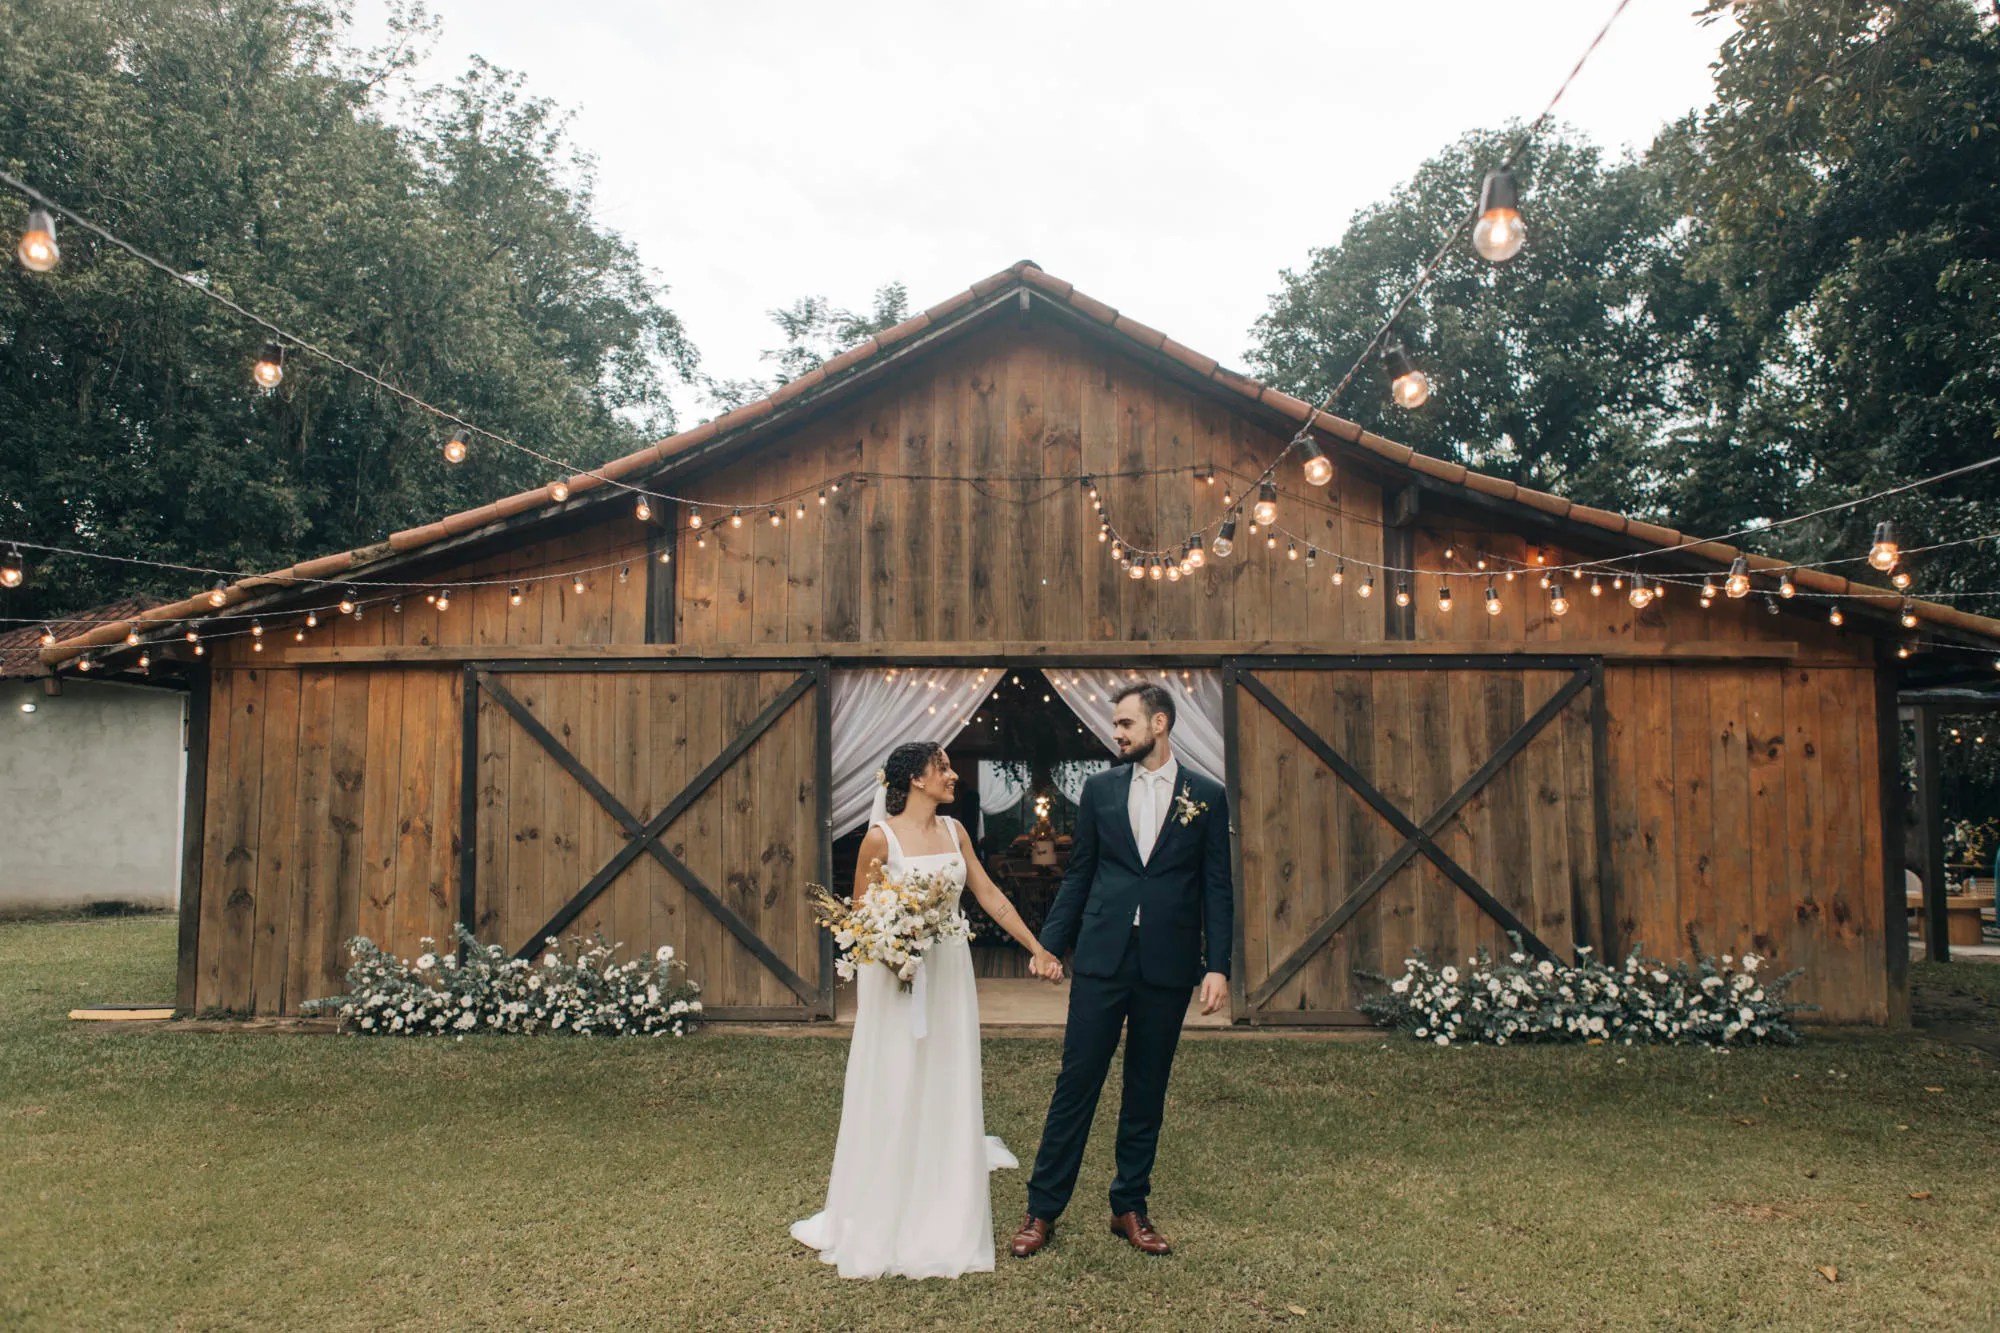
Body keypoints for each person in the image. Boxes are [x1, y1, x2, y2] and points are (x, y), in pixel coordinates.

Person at [790, 741, 1064, 1279]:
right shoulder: (879, 839)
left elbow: (990, 896)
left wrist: (1038, 948)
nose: (953, 776)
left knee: (946, 1075)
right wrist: (896, 950)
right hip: (898, 980)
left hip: (949, 976)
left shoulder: (956, 832)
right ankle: (888, 1199)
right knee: (897, 1079)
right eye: (943, 768)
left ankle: (943, 1196)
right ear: (916, 778)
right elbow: (861, 923)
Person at [1013, 681, 1231, 1259]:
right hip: (1104, 957)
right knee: (1076, 1083)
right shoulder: (1100, 790)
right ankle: (1042, 1210)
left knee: (1147, 1089)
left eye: (1126, 725)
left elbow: (1217, 887)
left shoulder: (1206, 795)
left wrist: (1219, 966)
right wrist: (1051, 944)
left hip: (1168, 962)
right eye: (1116, 725)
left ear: (1159, 725)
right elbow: (1080, 872)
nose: (1116, 734)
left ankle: (1128, 1207)